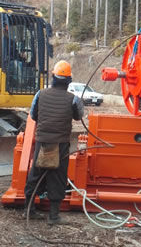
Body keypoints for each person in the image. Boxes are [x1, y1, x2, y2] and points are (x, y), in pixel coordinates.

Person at [24, 60, 84, 225]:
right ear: (69, 81)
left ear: (53, 77)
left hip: (43, 141)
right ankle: (54, 216)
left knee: (36, 174)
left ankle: (28, 210)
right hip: (61, 144)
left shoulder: (40, 94)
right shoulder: (73, 99)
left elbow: (33, 115)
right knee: (57, 177)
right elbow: (78, 117)